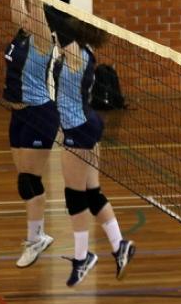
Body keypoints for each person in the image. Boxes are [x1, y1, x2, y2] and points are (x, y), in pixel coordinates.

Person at [5, 0, 83, 268]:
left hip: (40, 114)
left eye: (31, 13)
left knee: (29, 180)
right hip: (18, 115)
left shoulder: (40, 38)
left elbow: (34, 3)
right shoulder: (20, 32)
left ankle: (36, 239)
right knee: (23, 179)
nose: (24, 13)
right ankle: (38, 234)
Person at [52, 16, 135, 287]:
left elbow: (55, 14)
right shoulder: (85, 51)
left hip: (78, 128)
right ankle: (119, 244)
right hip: (87, 123)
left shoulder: (75, 52)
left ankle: (82, 257)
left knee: (75, 197)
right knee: (92, 193)